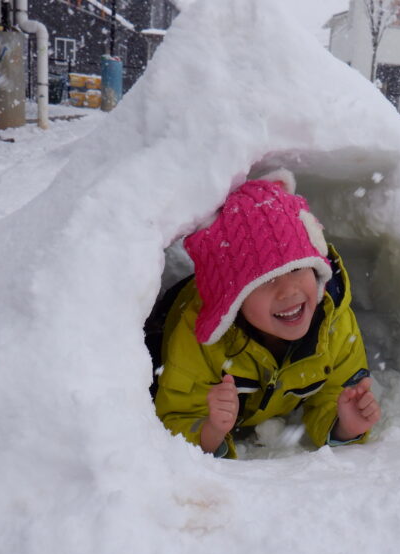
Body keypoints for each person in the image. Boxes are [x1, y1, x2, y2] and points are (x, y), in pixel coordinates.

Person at [153, 169, 380, 458]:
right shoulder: (201, 339)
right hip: (167, 323)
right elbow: (176, 415)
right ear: (233, 302)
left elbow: (335, 393)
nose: (289, 291)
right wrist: (211, 431)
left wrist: (346, 425)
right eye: (265, 281)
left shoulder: (333, 324)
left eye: (298, 268)